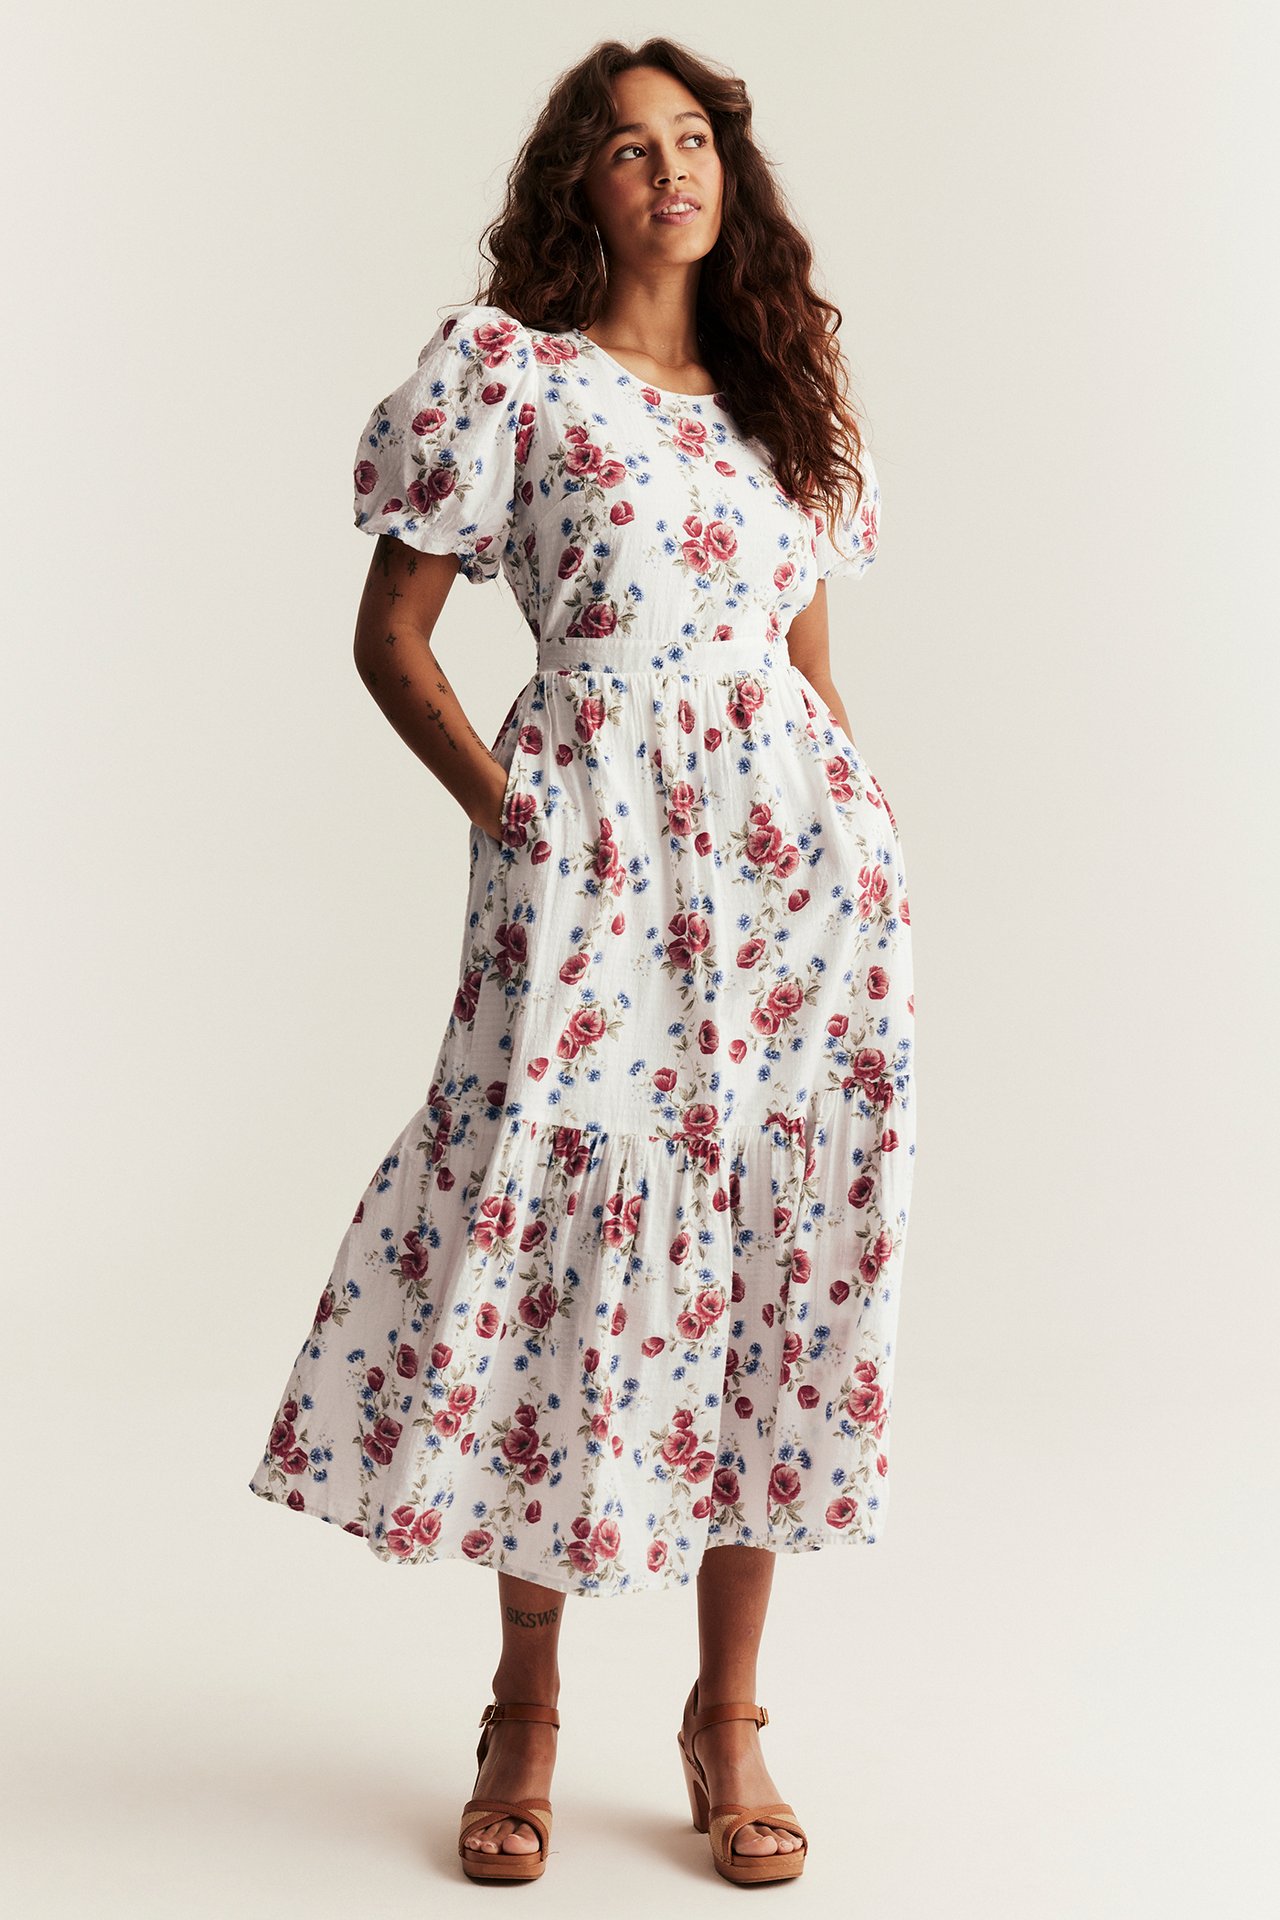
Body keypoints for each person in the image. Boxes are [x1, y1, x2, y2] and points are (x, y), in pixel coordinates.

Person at [248, 34, 916, 1888]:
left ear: (730, 175)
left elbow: (812, 674)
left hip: (799, 902)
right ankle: (527, 1702)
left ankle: (726, 1720)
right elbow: (393, 640)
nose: (668, 173)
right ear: (580, 190)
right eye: (627, 151)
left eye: (693, 140)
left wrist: (858, 862)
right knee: (560, 1249)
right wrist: (516, 816)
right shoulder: (511, 381)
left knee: (770, 1256)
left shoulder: (788, 389)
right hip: (593, 886)